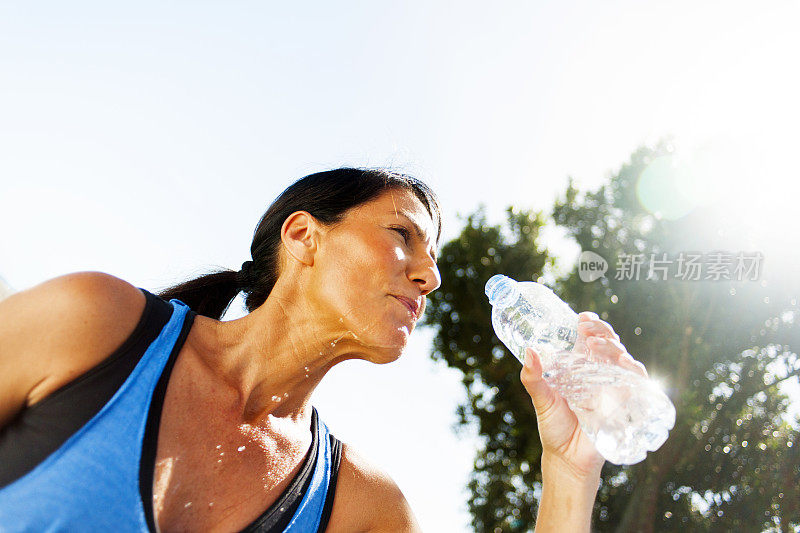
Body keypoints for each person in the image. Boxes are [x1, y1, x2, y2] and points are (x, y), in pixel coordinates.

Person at [0, 168, 648, 532]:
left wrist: (569, 469)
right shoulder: (93, 324)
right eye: (403, 235)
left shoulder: (361, 507)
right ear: (304, 235)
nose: (431, 276)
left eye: (434, 258)